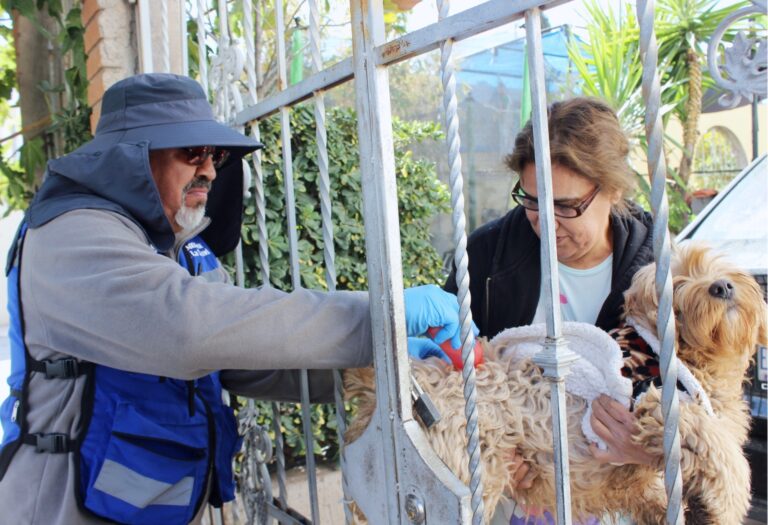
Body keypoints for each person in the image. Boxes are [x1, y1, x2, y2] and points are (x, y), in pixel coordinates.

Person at [0, 73, 465, 525]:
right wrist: (382, 317)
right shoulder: (70, 234)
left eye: (215, 154)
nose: (208, 168)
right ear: (131, 158)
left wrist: (386, 361)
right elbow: (189, 331)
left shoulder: (180, 249)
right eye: (192, 151)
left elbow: (240, 360)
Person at [445, 97, 657, 524]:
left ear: (613, 189)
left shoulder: (659, 267)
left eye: (566, 206)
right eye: (532, 200)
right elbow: (449, 366)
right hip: (522, 505)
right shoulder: (487, 256)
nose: (544, 220)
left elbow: (705, 393)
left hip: (625, 500)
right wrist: (494, 447)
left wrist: (654, 449)